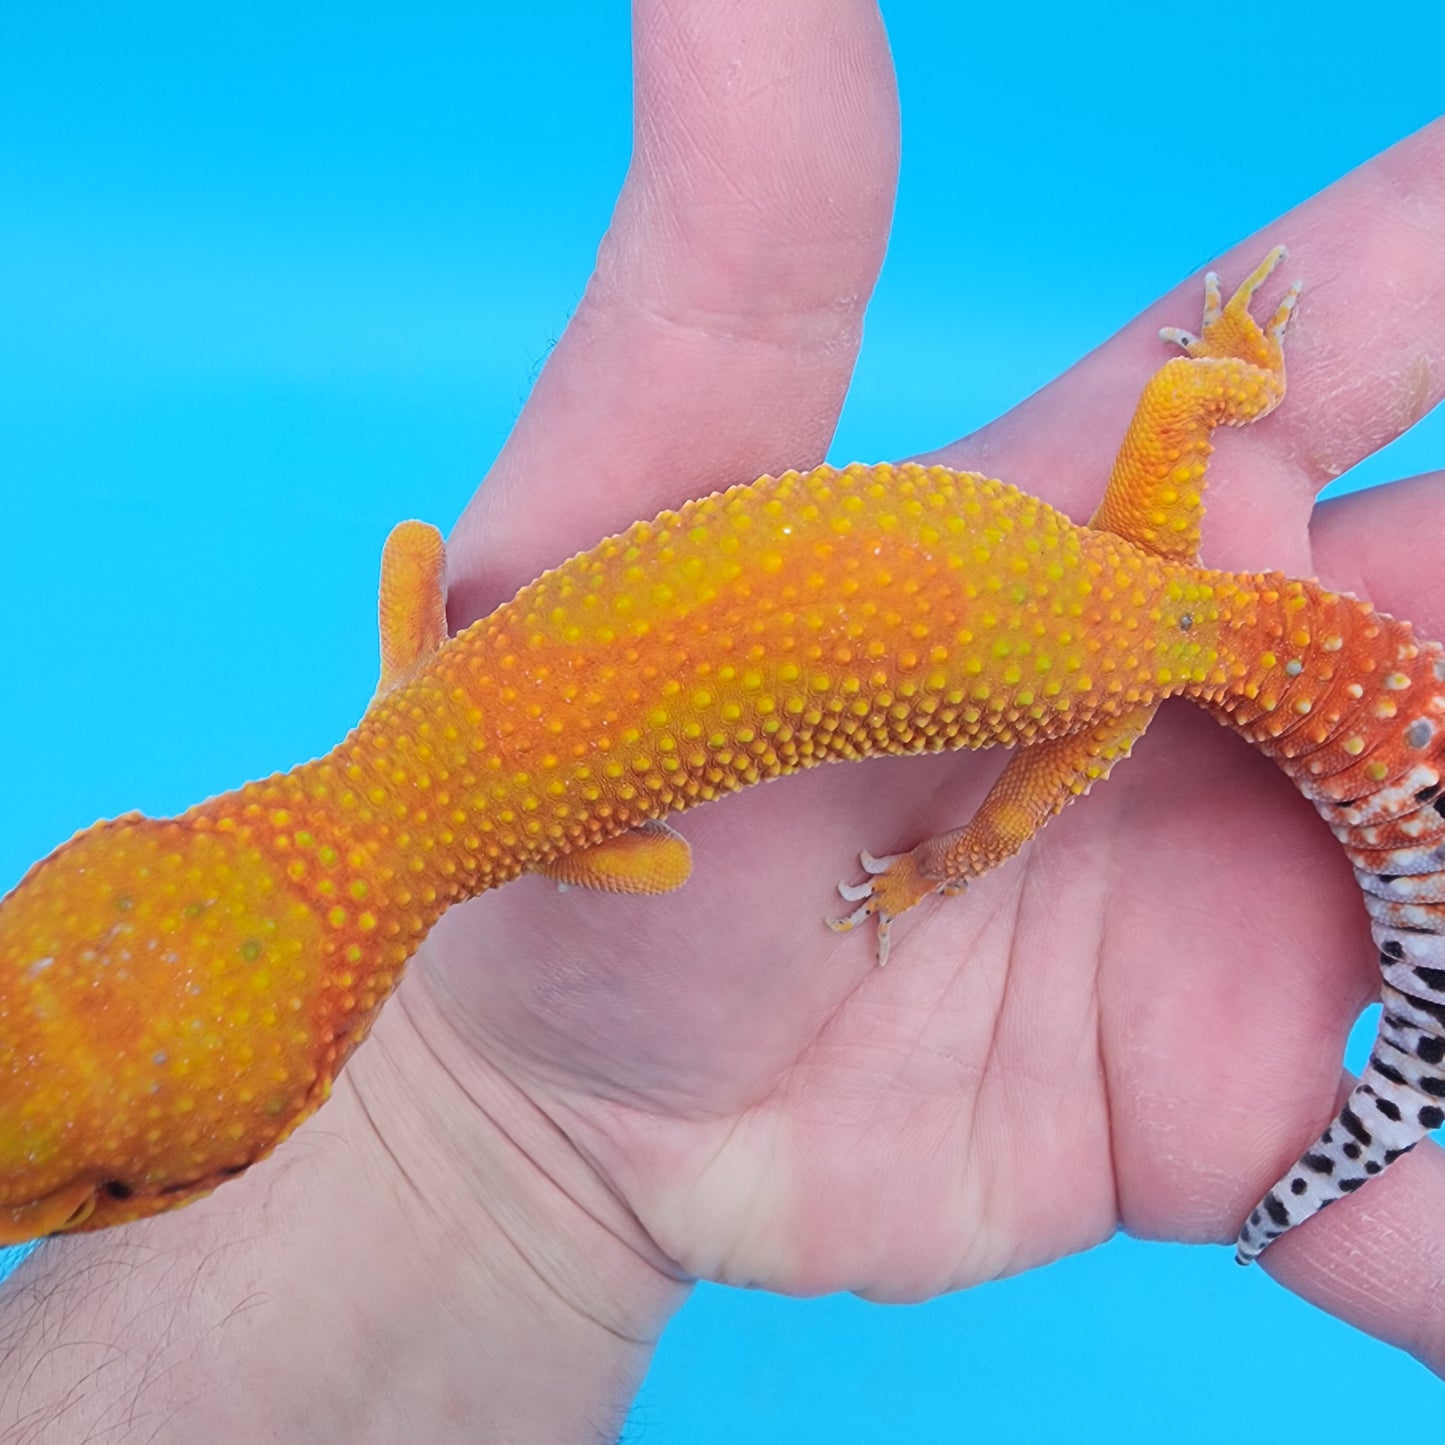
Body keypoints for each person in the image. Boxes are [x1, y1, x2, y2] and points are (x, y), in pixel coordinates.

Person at [4, 1, 1445, 1437]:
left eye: (104, 1193)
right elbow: (410, 563)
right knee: (1181, 429)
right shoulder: (433, 690)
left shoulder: (533, 836)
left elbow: (652, 863)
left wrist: (938, 864)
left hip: (1093, 657)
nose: (68, 1212)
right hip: (1088, 609)